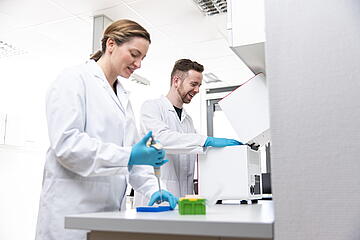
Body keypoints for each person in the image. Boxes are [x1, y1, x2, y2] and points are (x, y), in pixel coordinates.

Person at [35, 19, 177, 240]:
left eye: (142, 58)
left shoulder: (123, 98)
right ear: (111, 44)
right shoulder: (73, 80)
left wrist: (153, 189)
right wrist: (130, 155)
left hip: (107, 215)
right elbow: (67, 145)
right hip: (70, 212)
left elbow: (132, 161)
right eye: (134, 54)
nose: (138, 64)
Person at [130, 59, 243, 206]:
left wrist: (226, 151)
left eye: (199, 85)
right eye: (193, 84)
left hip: (183, 201)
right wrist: (206, 140)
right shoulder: (152, 107)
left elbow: (190, 146)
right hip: (156, 200)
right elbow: (162, 139)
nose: (197, 90)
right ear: (176, 81)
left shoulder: (187, 120)